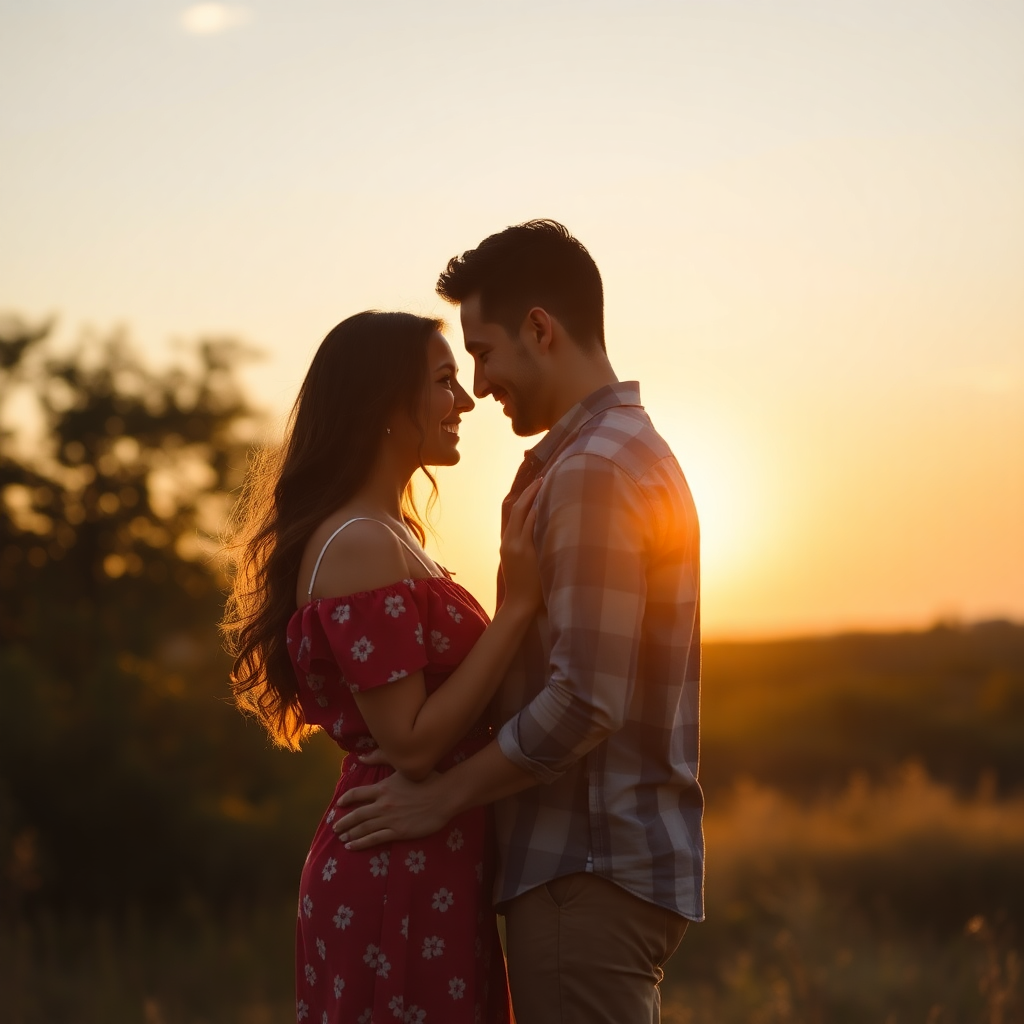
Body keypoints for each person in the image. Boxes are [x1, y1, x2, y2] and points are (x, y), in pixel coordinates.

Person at [335, 221, 705, 1024]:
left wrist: (445, 798)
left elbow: (586, 698)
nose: (479, 382)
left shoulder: (595, 471)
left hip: (584, 865)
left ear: (541, 328)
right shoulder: (610, 456)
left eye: (484, 351)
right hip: (591, 867)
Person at [220, 310, 545, 1024]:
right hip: (397, 864)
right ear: (382, 406)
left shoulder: (388, 533)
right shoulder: (363, 542)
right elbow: (413, 742)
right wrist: (516, 609)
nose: (464, 402)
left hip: (427, 857)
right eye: (443, 382)